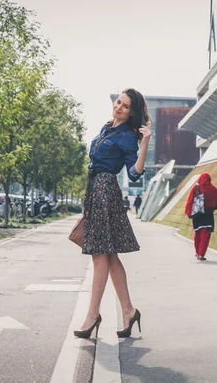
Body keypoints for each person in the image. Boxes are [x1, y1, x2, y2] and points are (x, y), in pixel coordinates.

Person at [74, 88, 151, 339]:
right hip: (96, 192)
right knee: (111, 257)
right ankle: (128, 311)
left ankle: (92, 316)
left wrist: (146, 141)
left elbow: (134, 173)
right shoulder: (107, 128)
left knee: (99, 257)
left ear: (132, 113)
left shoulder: (128, 136)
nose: (119, 107)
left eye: (126, 106)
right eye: (118, 102)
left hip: (106, 192)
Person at [184, 172, 217, 261]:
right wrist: (212, 207)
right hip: (208, 215)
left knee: (197, 234)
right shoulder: (213, 188)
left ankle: (197, 253)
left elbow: (190, 201)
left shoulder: (196, 188)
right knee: (206, 234)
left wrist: (189, 213)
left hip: (197, 215)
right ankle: (201, 254)